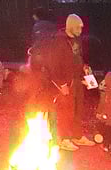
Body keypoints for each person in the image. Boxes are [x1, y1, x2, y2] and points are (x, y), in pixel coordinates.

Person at [39, 13, 94, 151]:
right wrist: (61, 85)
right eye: (78, 28)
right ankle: (63, 139)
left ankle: (77, 136)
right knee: (66, 111)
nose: (80, 31)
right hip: (65, 83)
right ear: (71, 26)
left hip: (76, 81)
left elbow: (78, 57)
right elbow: (54, 65)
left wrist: (84, 69)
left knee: (78, 110)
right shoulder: (59, 41)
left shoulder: (76, 40)